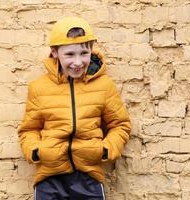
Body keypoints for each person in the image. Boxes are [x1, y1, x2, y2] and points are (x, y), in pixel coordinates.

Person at [18, 16, 131, 200]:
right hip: (49, 178)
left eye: (83, 53)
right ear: (55, 52)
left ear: (91, 51)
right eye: (69, 54)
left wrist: (105, 150)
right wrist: (37, 151)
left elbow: (121, 125)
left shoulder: (104, 85)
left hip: (89, 177)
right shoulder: (38, 87)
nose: (78, 62)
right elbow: (29, 129)